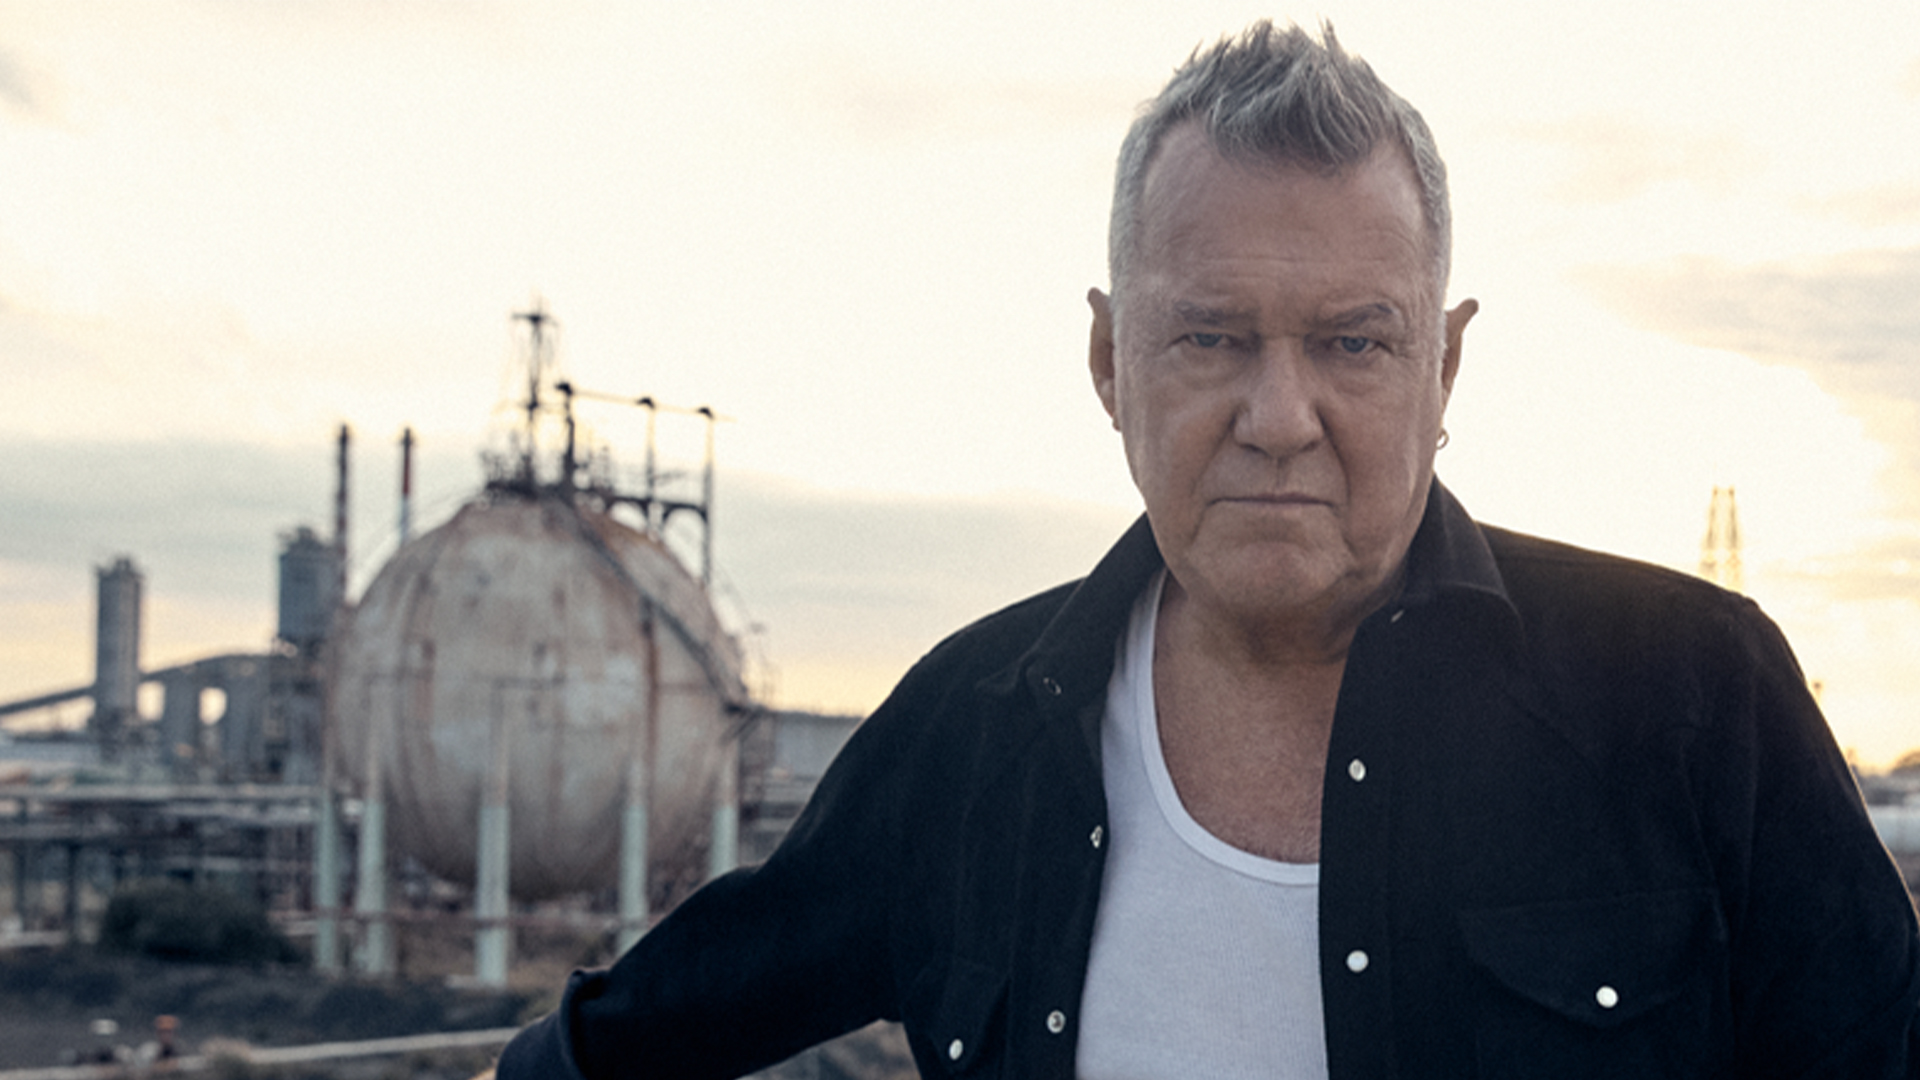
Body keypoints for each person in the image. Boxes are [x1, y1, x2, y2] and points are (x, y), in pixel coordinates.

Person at [499, 21, 1920, 1078]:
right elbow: (614, 1052)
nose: (1279, 417)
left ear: (1446, 368)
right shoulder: (977, 729)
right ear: (1113, 360)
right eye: (1212, 337)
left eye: (1354, 342)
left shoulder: (1690, 695)